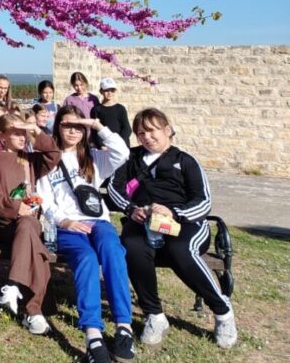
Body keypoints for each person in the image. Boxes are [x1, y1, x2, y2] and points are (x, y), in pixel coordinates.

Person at [107, 108, 237, 349]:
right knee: (132, 246)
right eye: (141, 133)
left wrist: (174, 212)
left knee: (180, 248)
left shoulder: (185, 161)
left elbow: (203, 201)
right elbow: (115, 188)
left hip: (185, 223)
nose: (146, 137)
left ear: (167, 130)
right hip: (143, 222)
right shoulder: (130, 158)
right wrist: (131, 209)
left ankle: (222, 310)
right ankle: (154, 315)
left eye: (152, 130)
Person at [36, 105, 133, 363]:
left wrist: (97, 126)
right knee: (87, 259)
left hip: (98, 222)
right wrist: (64, 221)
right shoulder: (49, 160)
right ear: (57, 126)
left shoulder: (93, 157)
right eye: (67, 125)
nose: (73, 131)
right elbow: (45, 200)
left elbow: (122, 152)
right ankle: (93, 335)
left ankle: (124, 326)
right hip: (69, 226)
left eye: (78, 126)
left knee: (113, 251)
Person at [0, 112, 60, 335]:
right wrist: (15, 207)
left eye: (23, 133)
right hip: (5, 224)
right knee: (38, 252)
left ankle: (13, 285)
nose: (22, 137)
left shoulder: (30, 159)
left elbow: (54, 154)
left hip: (30, 222)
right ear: (2, 136)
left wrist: (35, 130)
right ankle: (33, 311)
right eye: (16, 133)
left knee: (27, 224)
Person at [92, 78, 131, 148]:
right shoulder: (96, 109)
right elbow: (95, 130)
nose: (109, 93)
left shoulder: (120, 108)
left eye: (112, 90)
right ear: (101, 91)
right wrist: (101, 145)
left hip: (121, 145)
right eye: (106, 90)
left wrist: (120, 142)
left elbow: (127, 128)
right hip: (105, 146)